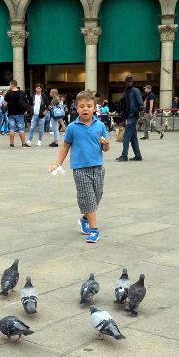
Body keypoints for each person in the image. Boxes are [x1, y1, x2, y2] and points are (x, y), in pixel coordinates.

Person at [49, 90, 110, 243]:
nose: (85, 109)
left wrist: (106, 145)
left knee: (97, 196)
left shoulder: (100, 125)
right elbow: (65, 147)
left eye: (89, 106)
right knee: (88, 198)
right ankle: (94, 229)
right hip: (80, 169)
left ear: (94, 108)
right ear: (76, 108)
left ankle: (85, 218)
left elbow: (105, 148)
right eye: (81, 106)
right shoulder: (72, 127)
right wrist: (57, 163)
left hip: (98, 167)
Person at [116, 75, 143, 162]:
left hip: (133, 115)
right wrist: (124, 119)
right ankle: (138, 155)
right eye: (128, 81)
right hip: (129, 116)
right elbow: (124, 106)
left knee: (126, 136)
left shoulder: (135, 91)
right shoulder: (126, 92)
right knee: (133, 137)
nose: (130, 83)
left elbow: (140, 103)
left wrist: (141, 116)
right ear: (125, 82)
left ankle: (124, 155)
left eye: (131, 81)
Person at [4, 80, 30, 148]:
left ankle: (11, 144)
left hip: (11, 113)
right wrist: (25, 110)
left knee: (12, 129)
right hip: (20, 113)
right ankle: (23, 143)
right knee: (21, 128)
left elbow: (5, 104)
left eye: (10, 85)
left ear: (12, 85)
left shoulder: (8, 93)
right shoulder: (21, 92)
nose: (10, 86)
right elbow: (26, 102)